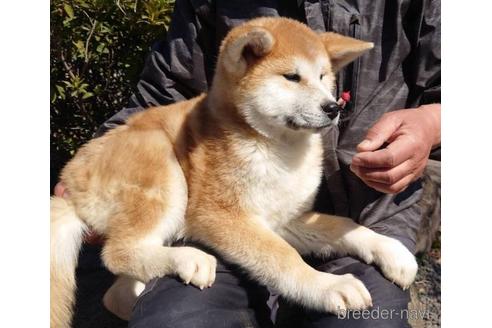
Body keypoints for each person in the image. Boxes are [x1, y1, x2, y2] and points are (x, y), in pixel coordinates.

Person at [56, 0, 440, 327]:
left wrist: (433, 122)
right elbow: (163, 91)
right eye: (293, 78)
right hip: (205, 236)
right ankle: (136, 256)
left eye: (325, 77)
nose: (328, 99)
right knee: (176, 319)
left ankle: (126, 289)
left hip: (374, 210)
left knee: (369, 319)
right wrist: (96, 170)